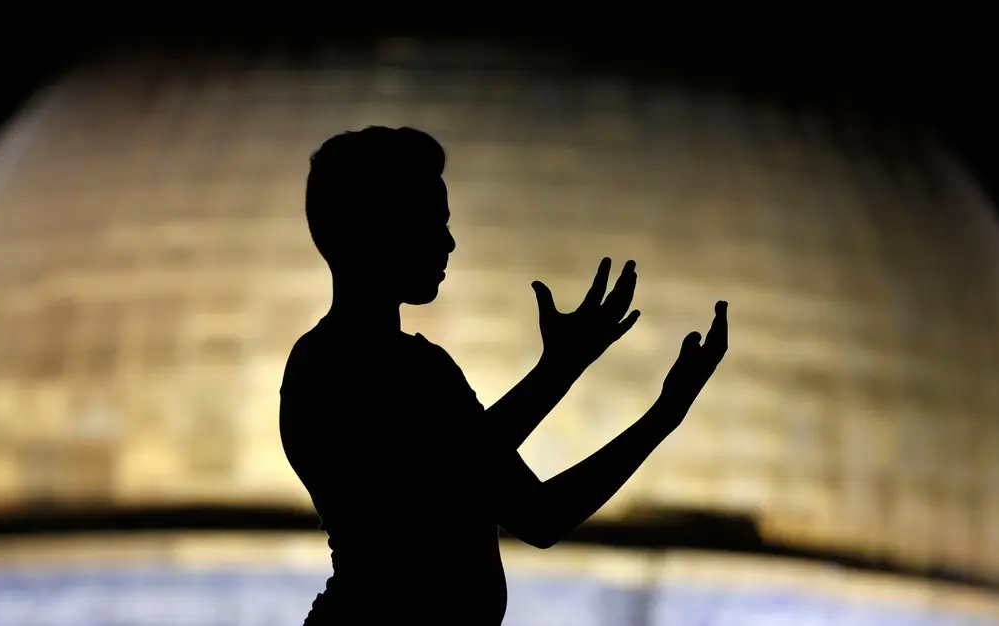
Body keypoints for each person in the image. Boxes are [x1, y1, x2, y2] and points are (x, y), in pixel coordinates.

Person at [278, 127, 728, 625]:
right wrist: (559, 372)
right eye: (429, 221)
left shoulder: (427, 368)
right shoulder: (325, 367)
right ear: (373, 227)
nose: (448, 241)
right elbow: (444, 480)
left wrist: (663, 415)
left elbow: (537, 515)